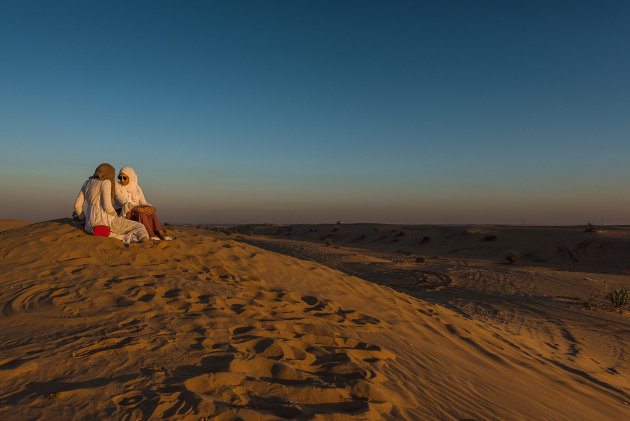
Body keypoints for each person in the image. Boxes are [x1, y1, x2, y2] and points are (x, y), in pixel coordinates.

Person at [74, 163, 150, 245]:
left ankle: (133, 239)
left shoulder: (86, 183)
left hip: (89, 226)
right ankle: (144, 241)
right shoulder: (105, 182)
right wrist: (115, 215)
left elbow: (77, 206)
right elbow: (107, 207)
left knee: (118, 233)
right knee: (139, 226)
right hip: (106, 222)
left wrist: (84, 219)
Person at [115, 166, 171, 241]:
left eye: (124, 178)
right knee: (141, 212)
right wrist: (140, 210)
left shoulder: (137, 188)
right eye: (120, 178)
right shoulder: (117, 186)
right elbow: (123, 203)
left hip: (136, 212)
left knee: (149, 211)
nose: (122, 180)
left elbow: (143, 202)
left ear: (131, 177)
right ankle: (150, 233)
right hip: (124, 212)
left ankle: (160, 232)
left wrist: (152, 208)